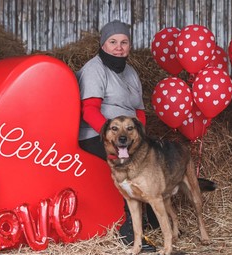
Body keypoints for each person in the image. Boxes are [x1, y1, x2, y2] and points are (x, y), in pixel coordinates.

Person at [76, 20, 157, 252]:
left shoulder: (130, 72)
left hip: (128, 137)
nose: (118, 47)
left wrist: (140, 138)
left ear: (129, 46)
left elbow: (139, 112)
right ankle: (129, 233)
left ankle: (152, 218)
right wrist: (110, 137)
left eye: (124, 42)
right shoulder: (95, 69)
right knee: (129, 166)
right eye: (113, 42)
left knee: (154, 160)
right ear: (103, 45)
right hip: (98, 134)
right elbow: (90, 110)